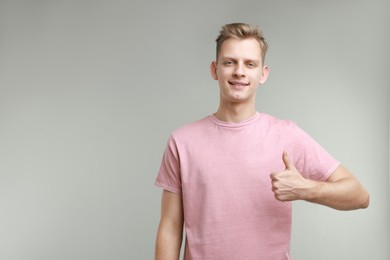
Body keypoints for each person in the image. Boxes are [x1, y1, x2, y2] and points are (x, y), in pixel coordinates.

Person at [154, 23, 369, 260]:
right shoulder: (182, 141)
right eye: (229, 62)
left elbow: (360, 196)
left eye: (250, 64)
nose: (239, 71)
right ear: (214, 70)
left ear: (262, 74)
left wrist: (306, 189)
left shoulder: (286, 135)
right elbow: (170, 228)